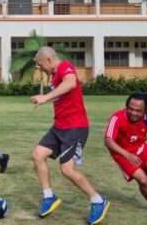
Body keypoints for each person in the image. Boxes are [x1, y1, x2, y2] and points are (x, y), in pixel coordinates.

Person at [30, 47, 109, 224]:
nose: (39, 69)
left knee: (67, 169)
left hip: (74, 127)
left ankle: (98, 200)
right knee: (37, 155)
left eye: (40, 65)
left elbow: (71, 82)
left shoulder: (65, 67)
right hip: (59, 126)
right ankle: (49, 197)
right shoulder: (54, 75)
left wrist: (45, 97)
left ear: (49, 60)